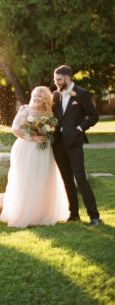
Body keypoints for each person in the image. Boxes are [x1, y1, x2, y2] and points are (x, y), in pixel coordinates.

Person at [0, 86, 69, 227]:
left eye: (40, 96)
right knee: (26, 179)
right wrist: (33, 137)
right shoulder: (25, 110)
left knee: (42, 179)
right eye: (35, 95)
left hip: (43, 151)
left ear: (45, 99)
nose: (36, 98)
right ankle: (23, 214)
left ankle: (41, 214)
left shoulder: (49, 114)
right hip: (26, 148)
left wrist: (46, 134)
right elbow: (15, 128)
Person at [52, 65, 101, 226]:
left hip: (74, 143)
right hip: (58, 144)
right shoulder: (55, 95)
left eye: (59, 80)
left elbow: (94, 116)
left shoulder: (81, 94)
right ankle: (74, 214)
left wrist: (80, 128)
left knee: (80, 179)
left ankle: (94, 216)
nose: (56, 82)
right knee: (67, 180)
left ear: (67, 78)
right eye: (55, 80)